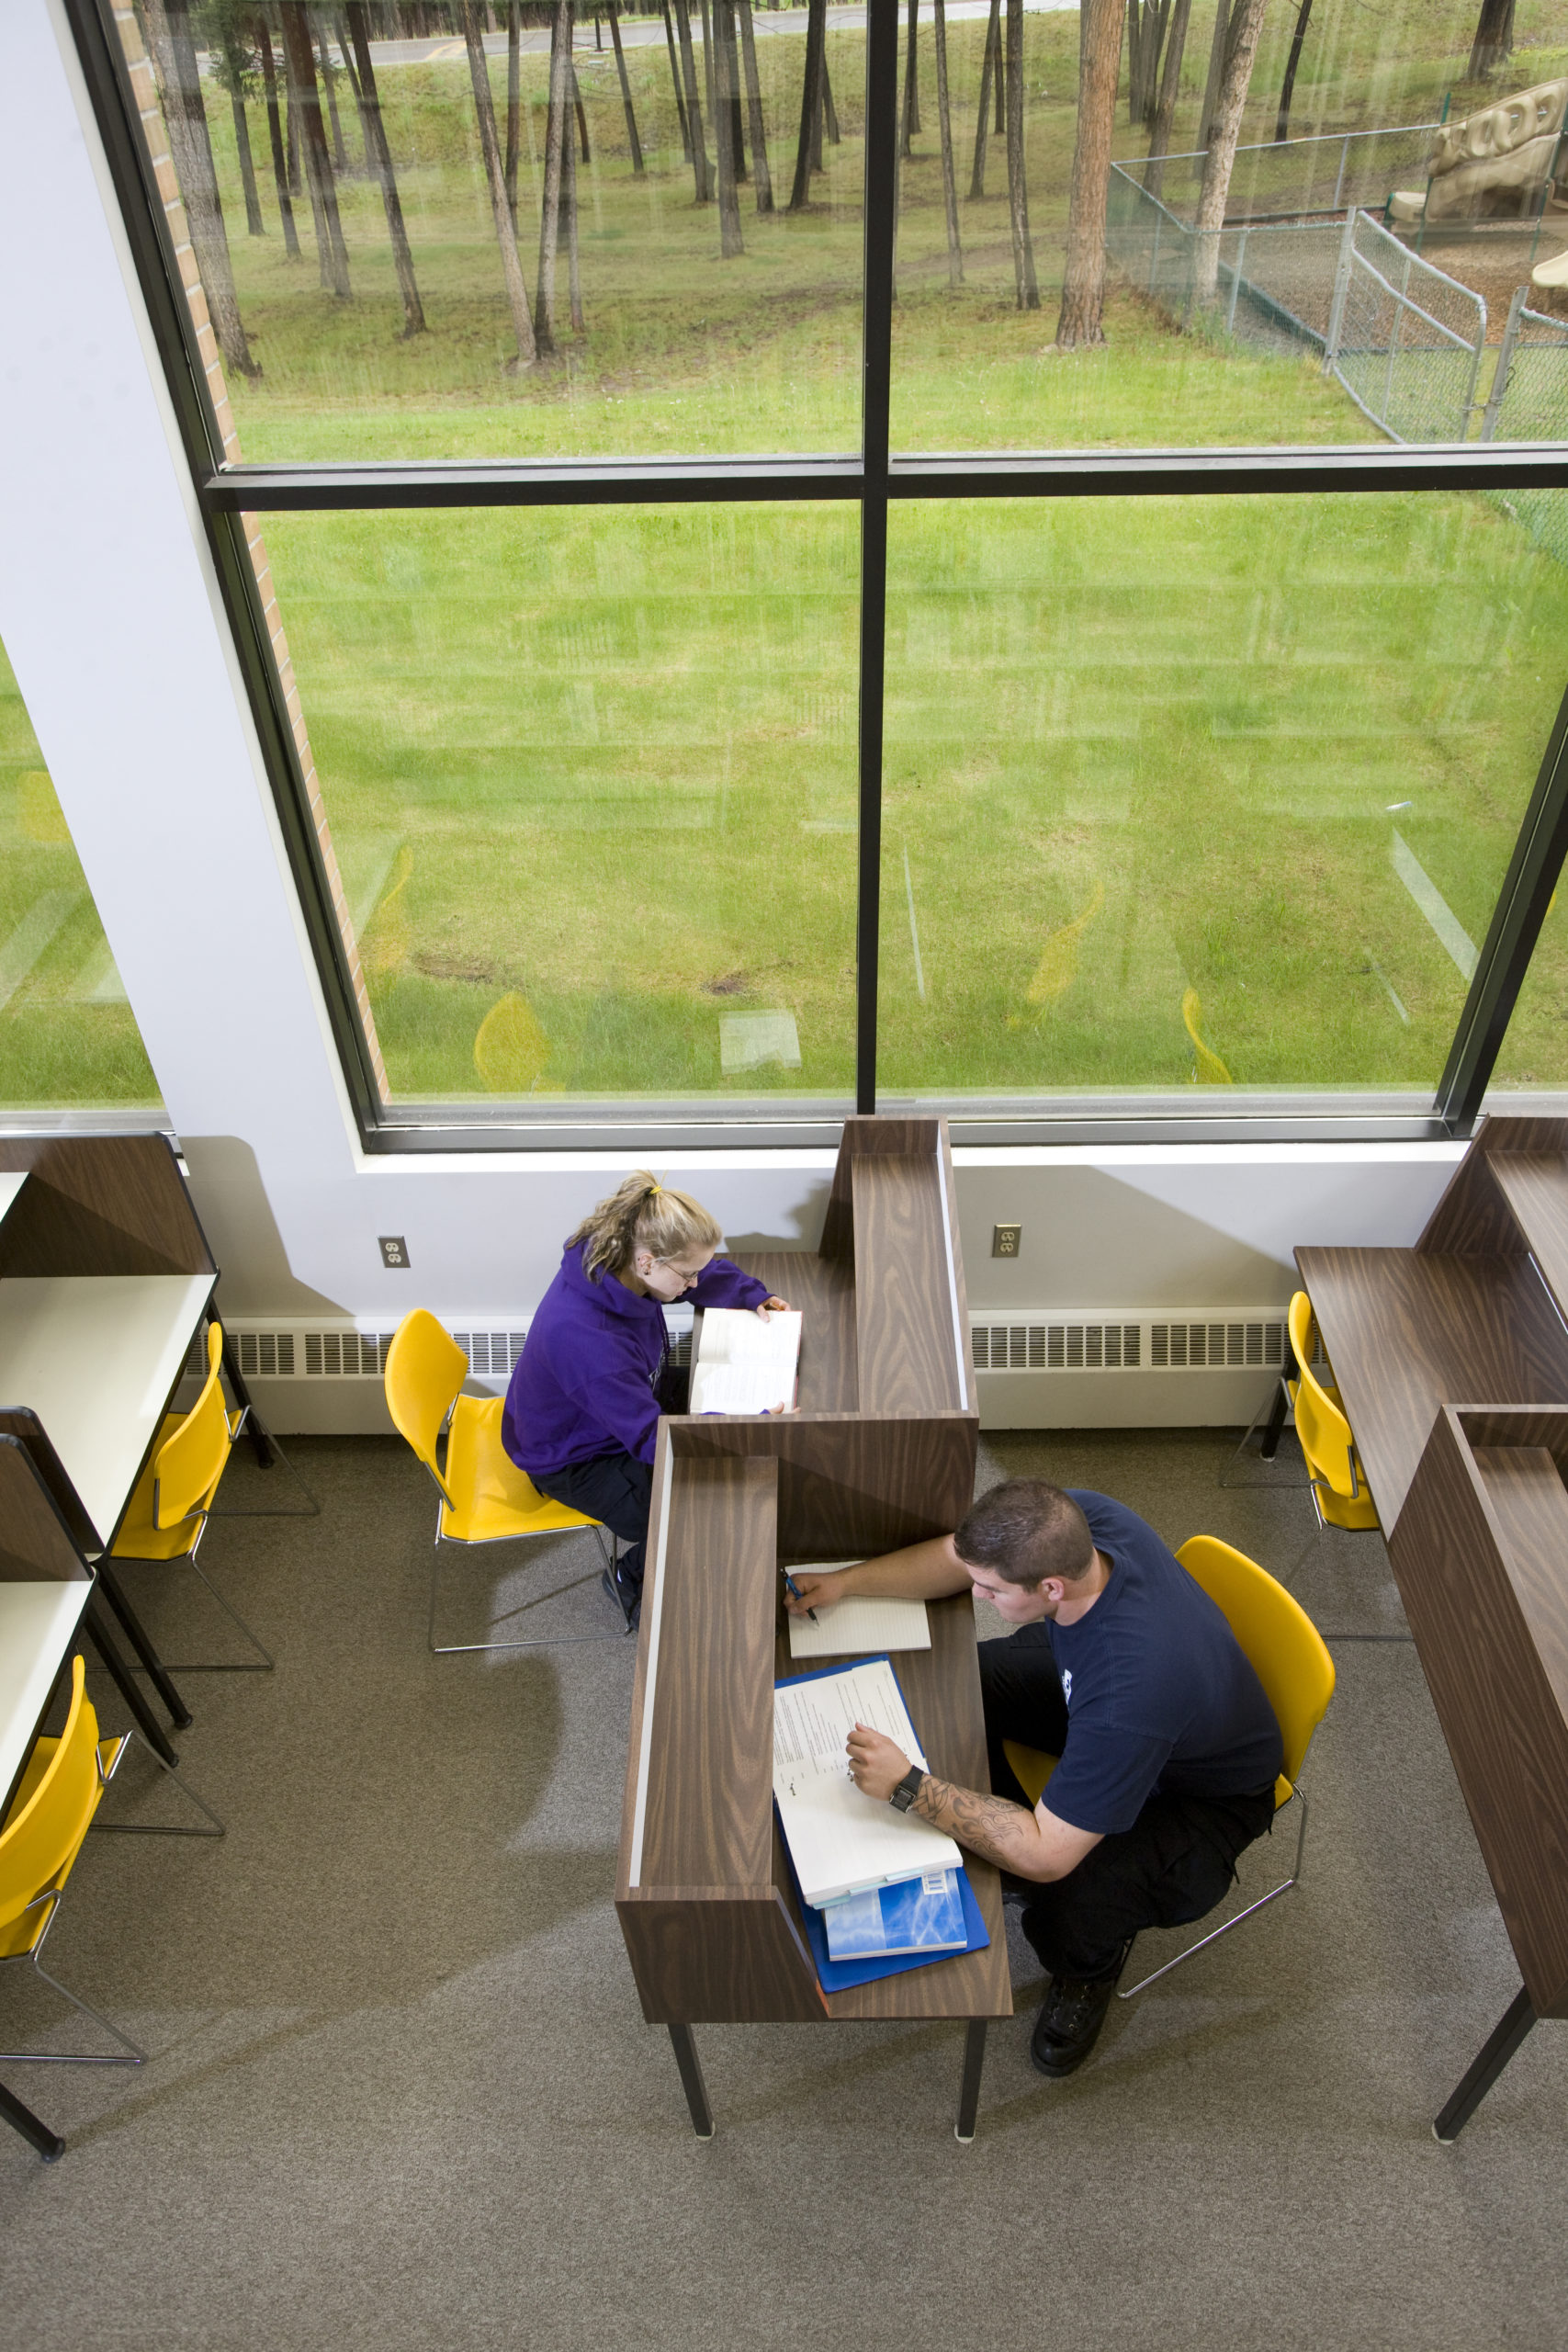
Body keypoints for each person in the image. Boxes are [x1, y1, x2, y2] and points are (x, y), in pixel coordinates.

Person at [784, 1479, 1282, 2078]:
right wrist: (847, 1582)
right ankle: (1018, 1815)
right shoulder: (1074, 1521)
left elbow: (1046, 1854)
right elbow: (954, 1558)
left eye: (991, 1591)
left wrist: (908, 1785)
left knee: (1065, 1902)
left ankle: (1087, 1969)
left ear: (1051, 1586)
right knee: (964, 1686)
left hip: (1204, 1796)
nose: (975, 1593)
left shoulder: (1130, 1698)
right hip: (1138, 1705)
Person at [502, 1171, 790, 1626]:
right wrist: (747, 1426)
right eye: (687, 1275)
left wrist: (751, 1295)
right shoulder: (591, 1341)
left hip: (618, 1406)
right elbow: (654, 1440)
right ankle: (627, 1578)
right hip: (574, 1458)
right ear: (646, 1263)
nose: (695, 1283)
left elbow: (698, 1268)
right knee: (702, 1503)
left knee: (718, 1440)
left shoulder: (619, 1260)